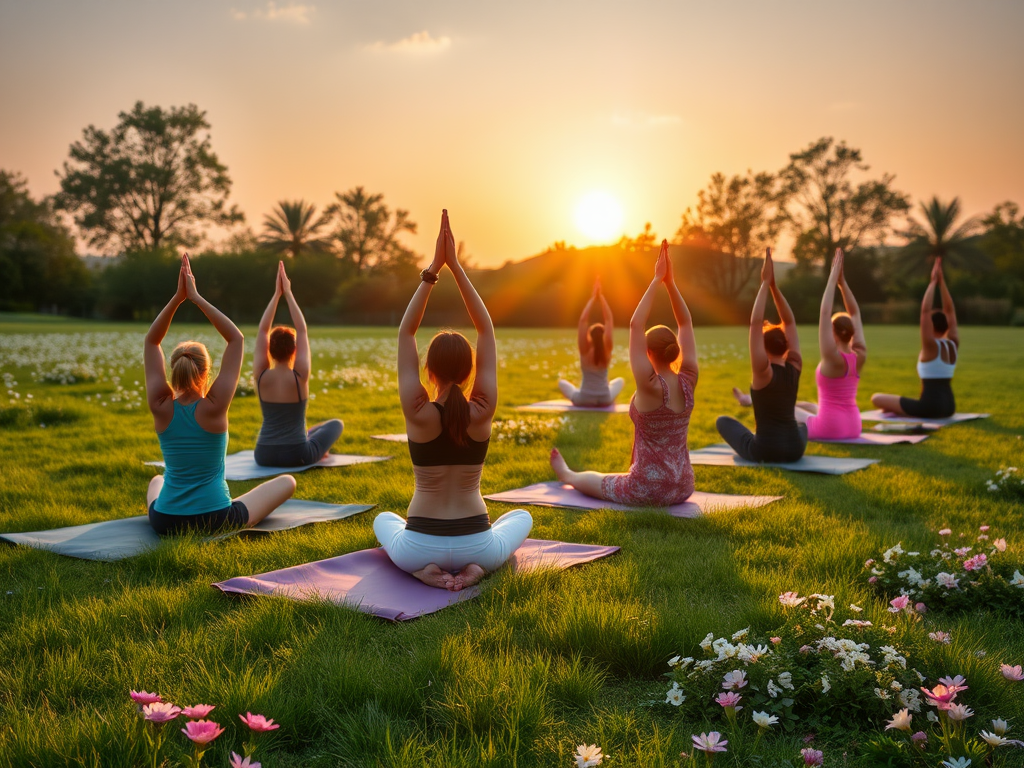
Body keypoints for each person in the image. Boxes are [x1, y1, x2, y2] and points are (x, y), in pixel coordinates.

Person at [373, 210, 532, 591]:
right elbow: (486, 328)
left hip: (418, 544)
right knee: (522, 516)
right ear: (469, 370)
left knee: (384, 520)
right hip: (476, 543)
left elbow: (406, 332)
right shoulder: (482, 408)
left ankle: (420, 572)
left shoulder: (418, 411)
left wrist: (433, 271)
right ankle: (479, 569)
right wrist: (457, 268)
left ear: (429, 370)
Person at [144, 254, 295, 535]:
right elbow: (236, 338)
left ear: (175, 370)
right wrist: (196, 297)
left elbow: (152, 341)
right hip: (215, 517)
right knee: (287, 481)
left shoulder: (160, 405)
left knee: (156, 480)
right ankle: (221, 501)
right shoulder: (213, 407)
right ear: (205, 374)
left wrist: (178, 299)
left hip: (165, 521)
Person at [550, 240, 699, 506]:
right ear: (674, 351)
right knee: (619, 476)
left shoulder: (650, 385)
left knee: (602, 481)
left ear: (648, 353)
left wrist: (656, 279)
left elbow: (635, 324)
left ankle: (567, 474)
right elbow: (685, 323)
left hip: (647, 489)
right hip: (683, 486)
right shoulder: (689, 379)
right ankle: (569, 473)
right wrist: (671, 284)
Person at [716, 248, 806, 463]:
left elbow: (755, 323)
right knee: (802, 425)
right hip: (795, 450)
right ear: (786, 346)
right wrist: (775, 286)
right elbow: (790, 322)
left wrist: (765, 283)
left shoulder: (762, 371)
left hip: (766, 451)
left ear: (763, 348)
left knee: (723, 421)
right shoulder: (795, 364)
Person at [253, 261, 344, 467]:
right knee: (335, 424)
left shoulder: (260, 375)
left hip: (263, 454)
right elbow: (301, 329)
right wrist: (289, 293)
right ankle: (320, 450)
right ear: (294, 350)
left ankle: (312, 440)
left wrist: (277, 295)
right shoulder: (299, 376)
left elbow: (262, 331)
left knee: (312, 431)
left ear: (269, 350)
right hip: (296, 455)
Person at [792, 248, 867, 440]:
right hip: (854, 425)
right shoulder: (860, 356)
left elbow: (825, 313)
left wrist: (833, 278)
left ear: (833, 333)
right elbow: (856, 313)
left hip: (830, 427)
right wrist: (843, 284)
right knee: (809, 406)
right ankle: (750, 400)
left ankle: (752, 402)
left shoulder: (832, 357)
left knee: (785, 409)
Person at [871, 257, 959, 418]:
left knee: (876, 398)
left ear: (931, 326)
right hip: (949, 406)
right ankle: (902, 409)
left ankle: (902, 410)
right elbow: (950, 311)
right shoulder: (953, 344)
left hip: (931, 408)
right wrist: (942, 283)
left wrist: (933, 283)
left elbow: (925, 311)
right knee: (896, 402)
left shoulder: (930, 345)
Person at [557, 278, 625, 406]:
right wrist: (602, 297)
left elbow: (583, 320)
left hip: (584, 399)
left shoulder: (584, 349)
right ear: (604, 336)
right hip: (605, 399)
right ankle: (602, 391)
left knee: (563, 384)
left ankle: (583, 392)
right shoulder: (607, 349)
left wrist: (593, 298)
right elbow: (609, 320)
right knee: (620, 381)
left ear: (590, 335)